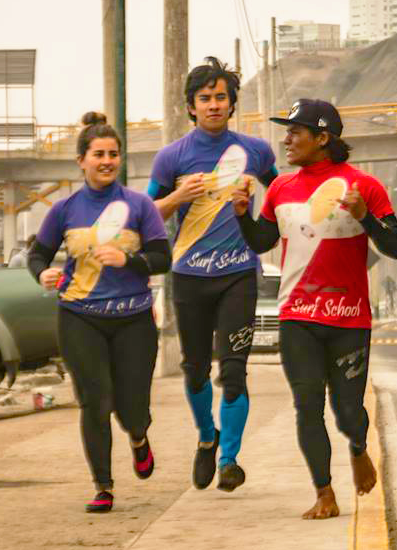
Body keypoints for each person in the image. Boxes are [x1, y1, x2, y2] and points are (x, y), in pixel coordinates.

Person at [232, 99, 397, 519]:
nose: (286, 139)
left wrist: (367, 218)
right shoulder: (280, 189)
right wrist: (241, 215)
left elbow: (395, 246)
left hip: (349, 320)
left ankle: (359, 448)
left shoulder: (365, 186)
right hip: (298, 318)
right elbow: (260, 242)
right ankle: (324, 492)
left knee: (347, 412)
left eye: (295, 132)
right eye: (286, 131)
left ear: (323, 138)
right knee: (306, 405)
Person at [28, 112, 171, 513]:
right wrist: (43, 273)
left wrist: (128, 259)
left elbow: (162, 257)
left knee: (131, 409)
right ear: (82, 161)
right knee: (95, 400)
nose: (106, 161)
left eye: (113, 154)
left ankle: (139, 437)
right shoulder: (64, 210)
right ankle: (103, 486)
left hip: (133, 318)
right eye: (98, 154)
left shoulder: (140, 205)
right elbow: (37, 253)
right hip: (80, 315)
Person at [147, 56, 277, 492]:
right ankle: (207, 438)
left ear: (232, 103)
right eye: (205, 98)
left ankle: (229, 460)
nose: (214, 105)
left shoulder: (256, 152)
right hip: (188, 278)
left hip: (239, 274)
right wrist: (178, 195)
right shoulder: (172, 158)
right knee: (195, 371)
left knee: (234, 371)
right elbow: (143, 214)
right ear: (191, 106)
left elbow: (283, 198)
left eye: (221, 97)